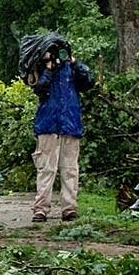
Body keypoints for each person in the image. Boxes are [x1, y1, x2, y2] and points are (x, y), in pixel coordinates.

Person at [28, 38, 94, 222]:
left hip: (70, 124)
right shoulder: (41, 69)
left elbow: (89, 81)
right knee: (46, 168)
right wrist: (49, 67)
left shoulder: (72, 69)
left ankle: (69, 208)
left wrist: (75, 63)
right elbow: (40, 89)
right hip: (48, 124)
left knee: (70, 169)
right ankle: (41, 209)